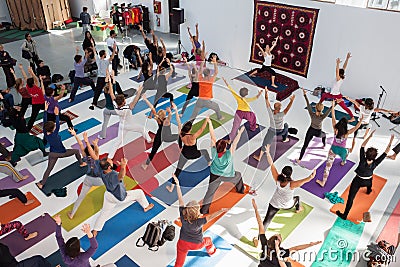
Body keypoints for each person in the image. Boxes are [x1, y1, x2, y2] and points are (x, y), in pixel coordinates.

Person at [82, 138, 154, 237]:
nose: (111, 160)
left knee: (103, 214)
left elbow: (93, 155)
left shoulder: (101, 169)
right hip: (119, 197)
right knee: (139, 193)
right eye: (110, 161)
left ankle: (95, 231)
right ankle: (146, 207)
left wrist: (86, 141)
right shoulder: (114, 175)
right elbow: (121, 176)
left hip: (108, 195)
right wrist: (123, 166)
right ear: (109, 167)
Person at [336, 131, 394, 220]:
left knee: (350, 198)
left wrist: (370, 136)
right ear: (375, 157)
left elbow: (362, 146)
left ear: (366, 154)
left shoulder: (363, 159)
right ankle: (369, 191)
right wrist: (390, 141)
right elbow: (386, 152)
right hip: (368, 180)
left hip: (358, 180)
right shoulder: (376, 162)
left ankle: (345, 215)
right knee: (369, 185)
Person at [172, 174, 224, 267]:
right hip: (196, 245)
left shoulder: (183, 215)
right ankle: (212, 252)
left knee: (179, 264)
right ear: (196, 212)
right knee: (208, 240)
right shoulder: (199, 222)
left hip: (182, 243)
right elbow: (212, 216)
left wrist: (178, 184)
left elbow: (180, 198)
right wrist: (221, 210)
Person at [251, 198, 321, 267]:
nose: (280, 235)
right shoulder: (281, 252)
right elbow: (296, 248)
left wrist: (256, 209)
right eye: (279, 236)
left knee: (285, 260)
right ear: (278, 243)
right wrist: (310, 245)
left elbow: (260, 225)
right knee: (287, 262)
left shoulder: (265, 245)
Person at [261, 145, 316, 229]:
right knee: (297, 198)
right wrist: (311, 177)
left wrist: (268, 153)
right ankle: (298, 209)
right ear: (290, 174)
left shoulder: (277, 178)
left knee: (267, 221)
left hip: (274, 203)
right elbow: (304, 181)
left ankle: (259, 237)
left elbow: (271, 164)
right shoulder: (292, 184)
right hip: (287, 205)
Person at [36, 104, 86, 189]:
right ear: (53, 129)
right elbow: (58, 124)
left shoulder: (45, 132)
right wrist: (56, 115)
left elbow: (45, 121)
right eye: (54, 126)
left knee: (49, 169)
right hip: (62, 153)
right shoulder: (54, 134)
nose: (56, 126)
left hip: (52, 154)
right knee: (76, 151)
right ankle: (81, 163)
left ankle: (41, 184)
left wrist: (45, 110)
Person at [200, 122, 245, 214]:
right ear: (225, 149)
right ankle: (240, 190)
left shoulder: (214, 151)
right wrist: (240, 133)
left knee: (210, 192)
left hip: (214, 175)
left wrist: (209, 123)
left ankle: (204, 210)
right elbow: (235, 142)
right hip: (228, 175)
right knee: (239, 175)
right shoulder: (229, 154)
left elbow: (212, 137)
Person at [316, 101, 363, 187]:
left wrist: (333, 106)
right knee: (346, 154)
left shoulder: (335, 129)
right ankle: (343, 162)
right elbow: (356, 127)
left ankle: (323, 182)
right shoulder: (347, 133)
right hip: (342, 151)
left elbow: (333, 116)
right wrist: (361, 120)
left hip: (333, 149)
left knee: (327, 167)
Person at [107, 84, 153, 159]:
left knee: (118, 142)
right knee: (142, 128)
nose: (125, 100)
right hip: (130, 125)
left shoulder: (115, 105)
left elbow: (111, 94)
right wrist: (139, 92)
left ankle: (110, 156)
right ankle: (149, 140)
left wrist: (110, 82)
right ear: (122, 103)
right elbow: (135, 100)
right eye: (124, 100)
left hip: (122, 125)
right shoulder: (127, 108)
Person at [167, 119, 212, 193]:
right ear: (190, 129)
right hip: (194, 154)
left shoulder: (181, 134)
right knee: (205, 151)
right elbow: (202, 129)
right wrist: (206, 120)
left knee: (178, 170)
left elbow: (179, 139)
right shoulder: (193, 136)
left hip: (185, 154)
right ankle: (209, 161)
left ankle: (171, 187)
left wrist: (180, 147)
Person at [67, 131, 103, 219]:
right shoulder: (96, 157)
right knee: (112, 176)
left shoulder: (85, 157)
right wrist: (95, 145)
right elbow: (97, 150)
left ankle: (72, 214)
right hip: (100, 180)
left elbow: (80, 144)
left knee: (80, 197)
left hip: (89, 179)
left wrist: (75, 135)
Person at [253, 88, 295, 161]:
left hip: (272, 131)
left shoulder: (270, 112)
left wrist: (266, 92)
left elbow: (266, 100)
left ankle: (259, 157)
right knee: (286, 126)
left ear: (274, 107)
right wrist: (292, 101)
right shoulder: (282, 114)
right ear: (280, 109)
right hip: (280, 132)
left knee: (265, 142)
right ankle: (284, 139)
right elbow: (287, 108)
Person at [141, 95, 181, 170]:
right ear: (164, 115)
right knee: (179, 136)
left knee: (153, 151)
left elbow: (152, 108)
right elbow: (169, 117)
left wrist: (146, 99)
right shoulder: (166, 121)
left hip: (159, 136)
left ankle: (146, 165)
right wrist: (170, 112)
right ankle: (181, 148)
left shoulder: (158, 119)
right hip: (167, 137)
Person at [296, 88, 331, 164]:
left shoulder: (312, 114)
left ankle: (299, 159)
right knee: (324, 135)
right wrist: (335, 104)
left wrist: (305, 95)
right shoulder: (322, 116)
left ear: (315, 108)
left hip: (310, 130)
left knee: (305, 145)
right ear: (322, 109)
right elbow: (329, 110)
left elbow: (308, 104)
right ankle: (324, 144)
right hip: (318, 132)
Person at [223, 77, 262, 141]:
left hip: (239, 113)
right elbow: (256, 97)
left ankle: (230, 139)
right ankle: (253, 128)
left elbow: (231, 90)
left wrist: (226, 82)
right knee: (253, 117)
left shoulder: (237, 97)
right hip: (247, 113)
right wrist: (259, 93)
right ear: (246, 94)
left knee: (235, 126)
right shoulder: (247, 99)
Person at [319, 52, 355, 122]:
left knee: (344, 107)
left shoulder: (338, 79)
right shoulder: (340, 77)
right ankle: (318, 105)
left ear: (339, 73)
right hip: (333, 95)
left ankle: (352, 117)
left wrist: (337, 64)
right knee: (323, 95)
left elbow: (336, 71)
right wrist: (347, 58)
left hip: (337, 96)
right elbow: (344, 67)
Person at [189, 55, 224, 122]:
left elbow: (200, 71)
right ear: (209, 74)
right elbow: (216, 72)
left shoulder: (200, 79)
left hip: (200, 101)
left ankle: (188, 124)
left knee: (193, 115)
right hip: (207, 102)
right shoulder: (210, 81)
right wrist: (214, 62)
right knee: (216, 106)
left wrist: (203, 61)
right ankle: (220, 117)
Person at [89, 42, 116, 110]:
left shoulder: (98, 60)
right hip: (106, 78)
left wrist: (92, 45)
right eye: (105, 53)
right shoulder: (106, 61)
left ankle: (94, 103)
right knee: (115, 85)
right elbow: (112, 57)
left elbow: (95, 52)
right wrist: (114, 49)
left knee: (97, 91)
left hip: (100, 78)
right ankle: (117, 98)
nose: (106, 54)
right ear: (103, 55)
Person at [26, 67, 45, 131]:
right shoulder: (37, 89)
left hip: (35, 103)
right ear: (33, 83)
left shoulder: (27, 87)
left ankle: (28, 129)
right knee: (52, 108)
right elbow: (36, 79)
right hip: (42, 103)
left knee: (33, 117)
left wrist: (30, 72)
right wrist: (32, 72)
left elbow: (30, 79)